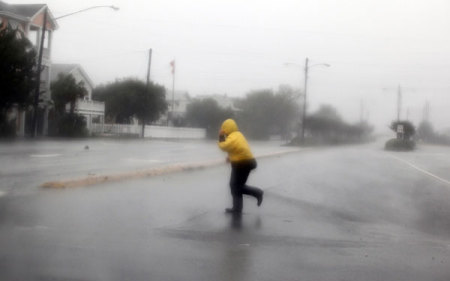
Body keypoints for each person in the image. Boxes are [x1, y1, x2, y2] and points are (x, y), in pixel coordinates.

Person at [218, 119, 263, 214]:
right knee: (237, 186)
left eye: (224, 129)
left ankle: (257, 193)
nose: (223, 131)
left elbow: (224, 146)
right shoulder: (238, 135)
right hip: (246, 163)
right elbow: (238, 149)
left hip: (242, 164)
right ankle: (237, 208)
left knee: (235, 186)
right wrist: (230, 157)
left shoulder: (232, 137)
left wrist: (221, 135)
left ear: (226, 129)